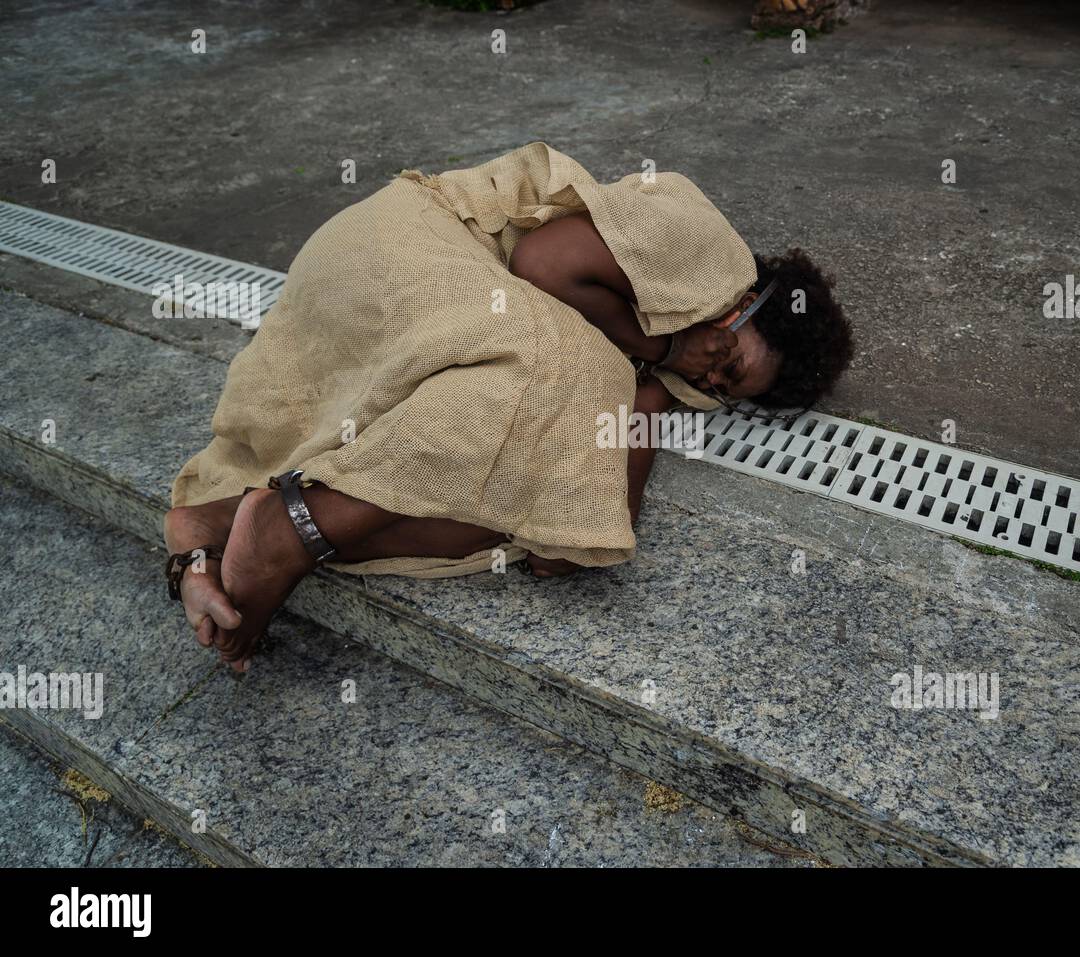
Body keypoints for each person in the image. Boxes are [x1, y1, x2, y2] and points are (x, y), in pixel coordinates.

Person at [164, 143, 853, 671]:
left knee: (508, 522)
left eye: (729, 389)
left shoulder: (684, 362)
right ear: (750, 299)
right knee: (562, 368)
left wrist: (588, 527)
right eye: (731, 359)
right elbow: (543, 265)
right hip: (402, 247)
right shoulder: (703, 246)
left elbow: (632, 424)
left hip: (413, 317)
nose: (714, 375)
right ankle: (291, 529)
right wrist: (668, 344)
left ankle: (219, 531)